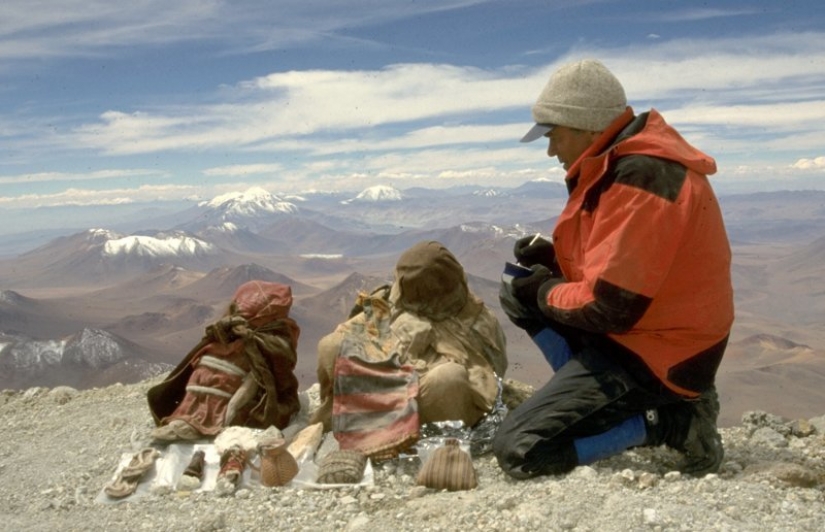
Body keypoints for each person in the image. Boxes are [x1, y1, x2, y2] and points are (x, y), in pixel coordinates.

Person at [493, 59, 734, 479]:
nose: (551, 150)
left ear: (585, 125)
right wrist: (551, 262)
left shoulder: (644, 178)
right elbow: (622, 264)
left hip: (662, 351)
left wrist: (543, 290)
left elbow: (610, 307)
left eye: (553, 135)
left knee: (521, 449)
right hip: (647, 330)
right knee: (516, 291)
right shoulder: (620, 164)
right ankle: (590, 396)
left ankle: (671, 422)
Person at [311, 241, 507, 438]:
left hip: (427, 403)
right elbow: (349, 336)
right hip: (380, 391)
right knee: (332, 345)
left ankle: (435, 439)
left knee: (448, 378)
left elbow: (493, 370)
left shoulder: (475, 318)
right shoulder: (390, 303)